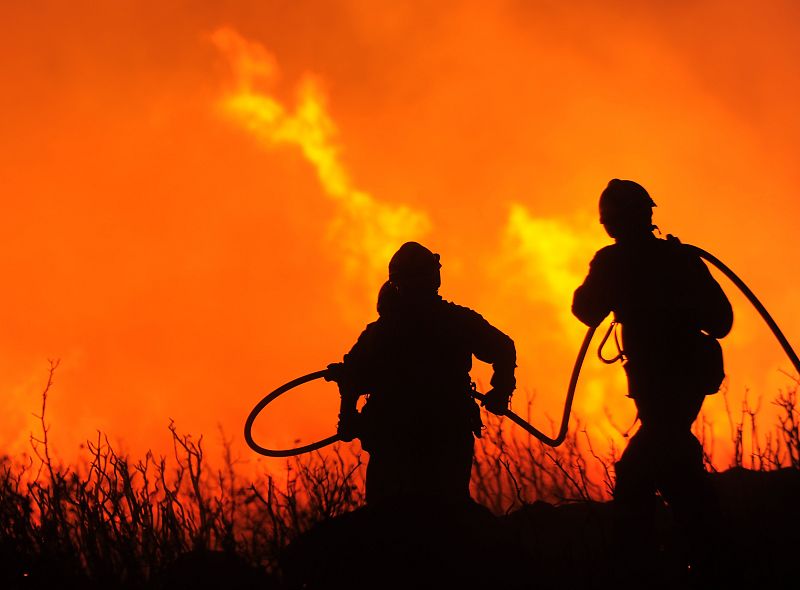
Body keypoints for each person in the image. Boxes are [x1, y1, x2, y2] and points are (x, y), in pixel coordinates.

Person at [572, 179, 733, 584]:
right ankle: (707, 560)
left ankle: (640, 567)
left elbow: (585, 309)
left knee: (639, 472)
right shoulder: (679, 258)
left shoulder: (616, 262)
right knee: (674, 465)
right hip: (683, 382)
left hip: (668, 385)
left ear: (609, 222)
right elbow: (721, 320)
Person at [326, 241, 517, 506]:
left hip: (395, 439)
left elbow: (352, 379)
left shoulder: (381, 332)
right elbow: (504, 349)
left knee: (387, 517)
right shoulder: (457, 321)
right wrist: (501, 390)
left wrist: (348, 418)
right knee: (448, 513)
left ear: (396, 281)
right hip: (445, 435)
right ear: (434, 277)